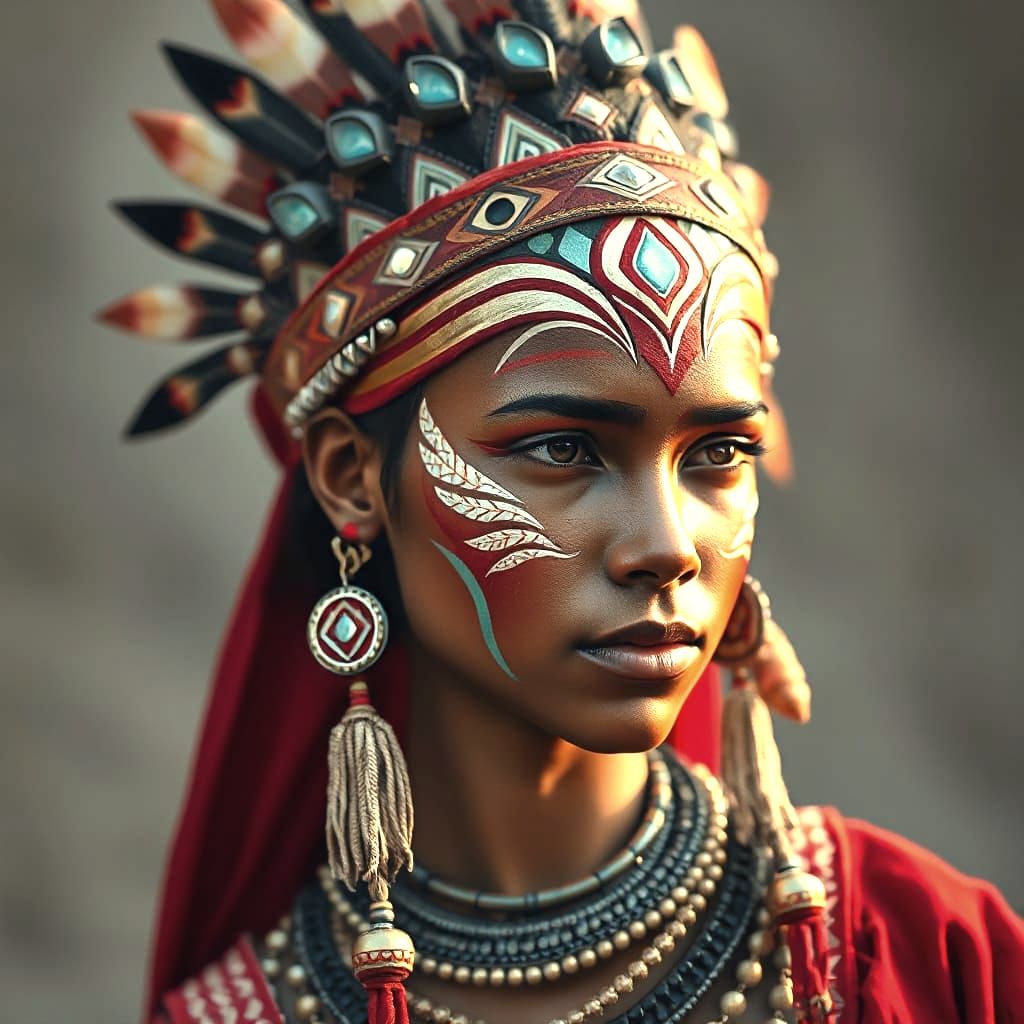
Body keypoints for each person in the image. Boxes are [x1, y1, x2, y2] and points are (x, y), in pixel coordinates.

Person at [99, 0, 1024, 1021]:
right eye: (562, 448)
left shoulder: (927, 955)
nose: (667, 546)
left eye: (717, 453)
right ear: (351, 475)